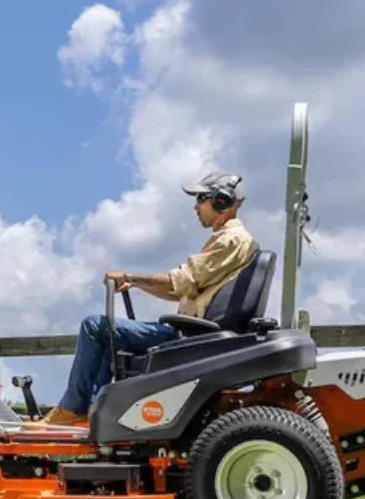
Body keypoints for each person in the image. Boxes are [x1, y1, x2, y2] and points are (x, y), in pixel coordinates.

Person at [34, 172, 258, 425]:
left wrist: (130, 275)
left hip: (191, 337)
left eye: (201, 199)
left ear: (221, 202)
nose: (196, 207)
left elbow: (178, 281)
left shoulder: (230, 240)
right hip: (197, 332)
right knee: (110, 335)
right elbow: (179, 290)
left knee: (94, 326)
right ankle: (89, 409)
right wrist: (137, 284)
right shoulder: (229, 240)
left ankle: (73, 408)